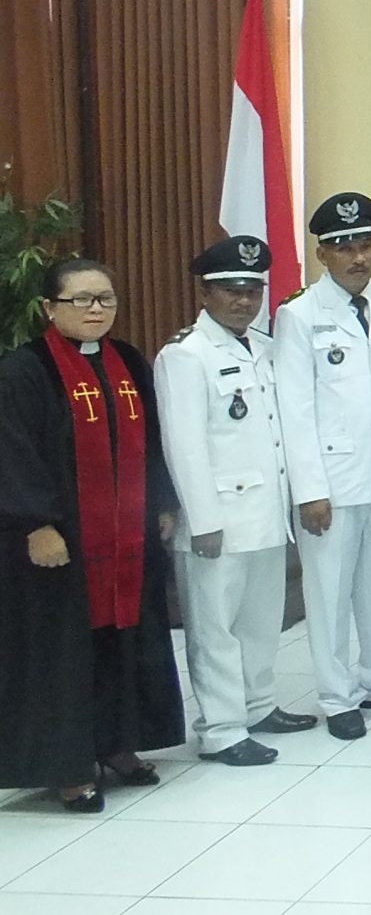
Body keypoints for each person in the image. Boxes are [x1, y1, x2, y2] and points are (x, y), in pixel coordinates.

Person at [0, 257, 183, 811]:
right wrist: (37, 523)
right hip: (60, 541)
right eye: (81, 299)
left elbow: (154, 439)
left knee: (125, 640)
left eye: (105, 298)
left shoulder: (127, 360)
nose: (96, 309)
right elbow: (13, 453)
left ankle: (118, 745)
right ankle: (70, 766)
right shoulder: (24, 370)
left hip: (127, 538)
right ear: (49, 307)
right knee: (63, 655)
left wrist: (162, 502)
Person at [274, 192, 371, 740]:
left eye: (366, 244)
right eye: (344, 247)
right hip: (333, 483)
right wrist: (309, 490)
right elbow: (294, 408)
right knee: (329, 594)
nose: (358, 257)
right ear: (322, 255)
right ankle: (338, 697)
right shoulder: (298, 315)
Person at [155, 236, 313, 766]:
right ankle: (222, 729)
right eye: (231, 291)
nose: (244, 301)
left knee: (262, 622)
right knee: (214, 629)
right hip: (217, 519)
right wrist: (202, 521)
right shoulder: (185, 354)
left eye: (252, 291)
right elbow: (183, 445)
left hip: (266, 514)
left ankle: (259, 705)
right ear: (206, 293)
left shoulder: (266, 348)